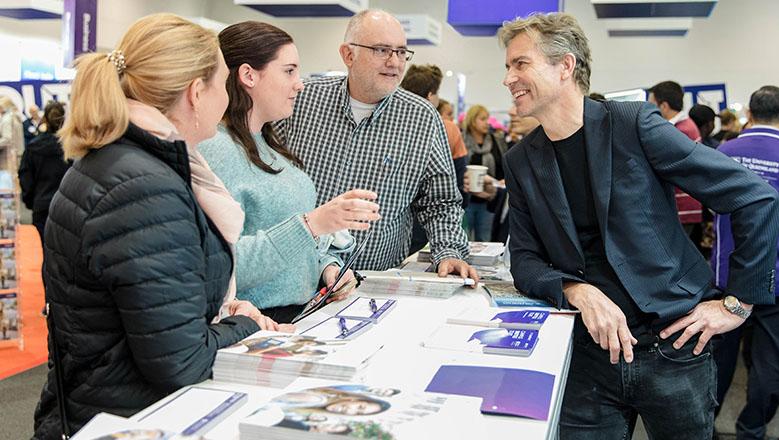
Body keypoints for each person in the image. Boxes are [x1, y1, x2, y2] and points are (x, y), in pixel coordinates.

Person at [500, 12, 779, 439]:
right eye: (507, 66)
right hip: (586, 356)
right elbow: (523, 257)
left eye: (520, 63)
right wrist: (577, 290)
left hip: (674, 346)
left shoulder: (633, 124)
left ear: (565, 65)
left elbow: (754, 197)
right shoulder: (522, 160)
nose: (508, 78)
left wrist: (738, 302)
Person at [32, 14, 284, 439]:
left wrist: (220, 313)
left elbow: (154, 311)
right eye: (223, 84)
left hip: (106, 405)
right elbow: (178, 361)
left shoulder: (125, 164)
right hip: (129, 416)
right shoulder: (144, 187)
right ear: (195, 92)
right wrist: (246, 327)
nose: (228, 99)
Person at [199, 21, 379, 323]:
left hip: (298, 316)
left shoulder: (269, 143)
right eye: (289, 71)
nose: (300, 83)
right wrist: (311, 224)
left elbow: (295, 239)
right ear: (248, 75)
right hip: (253, 323)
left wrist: (326, 267)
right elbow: (221, 266)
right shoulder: (216, 150)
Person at [277, 9, 476, 281]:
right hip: (294, 275)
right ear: (348, 55)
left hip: (373, 285)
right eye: (382, 50)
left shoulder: (421, 118)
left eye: (402, 52)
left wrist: (450, 251)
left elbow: (439, 201)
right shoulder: (302, 101)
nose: (395, 62)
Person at [712, 85, 779, 440]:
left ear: (750, 112)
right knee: (770, 362)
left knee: (719, 359)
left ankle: (704, 423)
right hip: (777, 276)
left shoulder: (727, 150)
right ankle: (752, 428)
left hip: (730, 274)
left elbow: (712, 206)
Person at [400, 64, 468, 253]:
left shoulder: (390, 123)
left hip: (392, 226)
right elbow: (459, 175)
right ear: (431, 96)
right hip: (431, 223)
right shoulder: (447, 128)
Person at [648, 80, 704, 251]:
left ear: (663, 106)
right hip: (685, 206)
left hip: (683, 207)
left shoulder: (680, 130)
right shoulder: (684, 127)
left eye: (651, 105)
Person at [18, 101, 70, 245]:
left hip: (42, 205)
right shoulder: (72, 146)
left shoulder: (33, 147)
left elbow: (25, 177)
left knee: (46, 251)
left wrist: (31, 202)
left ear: (45, 119)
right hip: (68, 207)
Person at [462, 104, 508, 242]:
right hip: (465, 200)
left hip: (490, 199)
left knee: (486, 240)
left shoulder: (496, 140)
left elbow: (503, 164)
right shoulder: (462, 140)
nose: (487, 122)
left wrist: (500, 181)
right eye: (482, 118)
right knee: (463, 239)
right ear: (472, 120)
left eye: (487, 118)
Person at [0, 96, 24, 172]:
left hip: (9, 158)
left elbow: (7, 139)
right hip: (18, 154)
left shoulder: (6, 119)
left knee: (11, 181)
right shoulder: (15, 117)